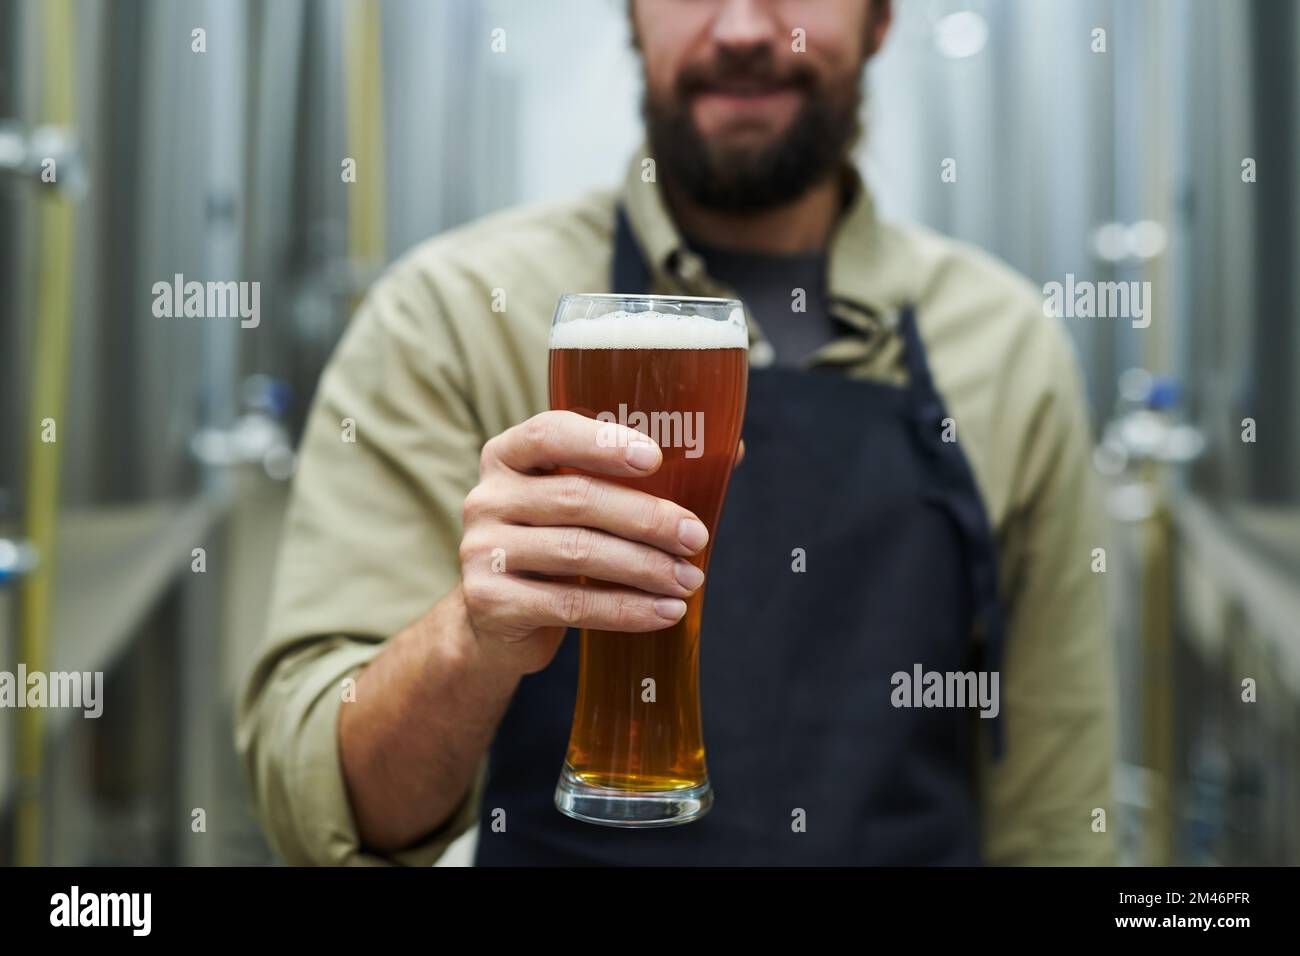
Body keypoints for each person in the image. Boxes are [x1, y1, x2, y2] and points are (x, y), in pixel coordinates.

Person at [237, 0, 1117, 866]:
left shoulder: (1007, 345)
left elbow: (1057, 805)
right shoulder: (455, 315)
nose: (741, 29)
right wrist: (469, 641)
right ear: (629, 14)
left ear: (881, 18)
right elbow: (323, 803)